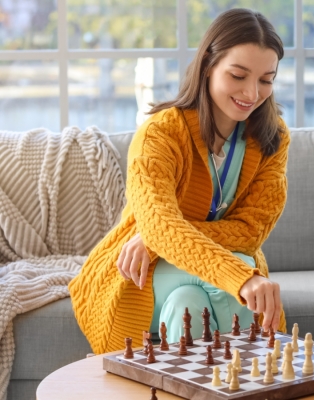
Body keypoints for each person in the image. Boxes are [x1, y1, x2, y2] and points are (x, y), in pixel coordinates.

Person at [69, 8, 289, 353]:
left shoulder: (272, 137)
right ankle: (260, 384)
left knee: (188, 305)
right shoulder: (161, 133)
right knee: (240, 274)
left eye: (266, 79)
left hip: (177, 262)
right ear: (207, 68)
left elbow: (250, 230)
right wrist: (239, 276)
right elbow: (157, 221)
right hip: (140, 269)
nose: (252, 92)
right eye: (238, 75)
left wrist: (156, 238)